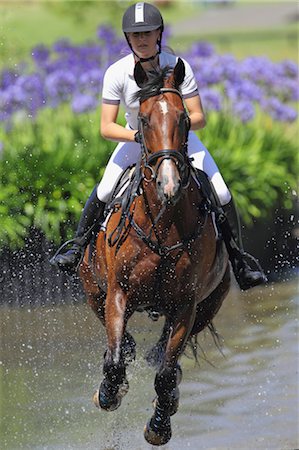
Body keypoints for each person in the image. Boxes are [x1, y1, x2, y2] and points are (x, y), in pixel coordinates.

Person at [50, 2, 267, 291]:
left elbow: (199, 116)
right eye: (135, 34)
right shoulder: (116, 73)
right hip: (136, 138)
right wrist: (141, 136)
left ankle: (240, 262)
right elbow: (106, 127)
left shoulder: (177, 66)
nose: (142, 39)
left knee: (223, 191)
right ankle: (76, 248)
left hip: (178, 139)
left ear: (159, 33)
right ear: (128, 38)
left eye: (147, 33)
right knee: (104, 189)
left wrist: (171, 130)